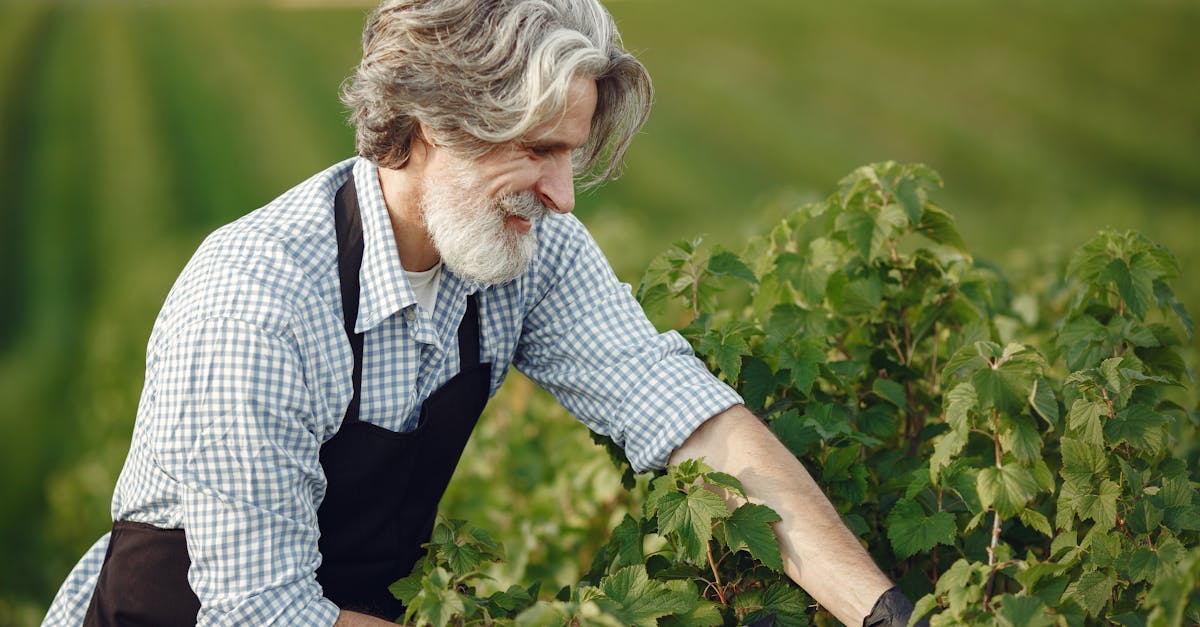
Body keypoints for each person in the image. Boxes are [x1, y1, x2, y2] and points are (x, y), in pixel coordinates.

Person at [44, 1, 918, 625]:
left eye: (570, 153)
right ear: (431, 119)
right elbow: (262, 612)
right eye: (539, 150)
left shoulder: (523, 252)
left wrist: (885, 612)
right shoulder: (259, 302)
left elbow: (690, 422)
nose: (564, 196)